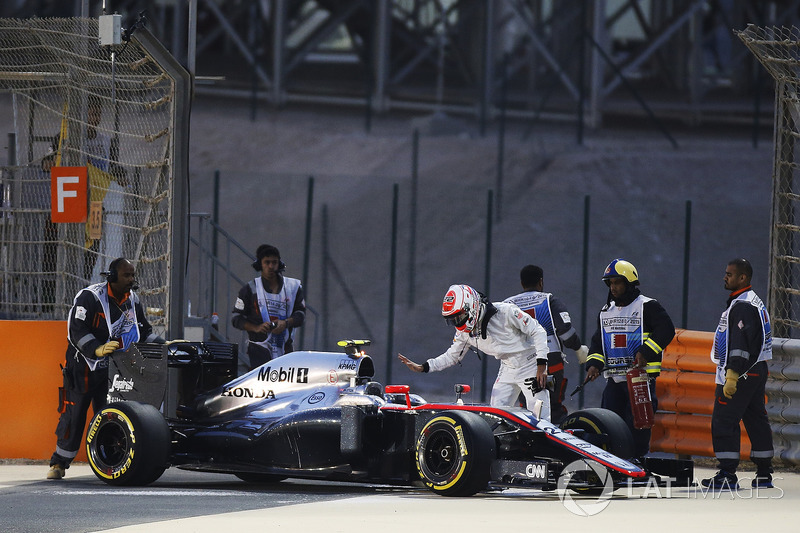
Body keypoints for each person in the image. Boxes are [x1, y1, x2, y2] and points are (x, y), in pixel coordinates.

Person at [47, 257, 165, 480]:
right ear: (112, 277)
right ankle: (58, 463)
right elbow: (76, 329)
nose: (131, 280)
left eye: (132, 275)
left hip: (114, 370)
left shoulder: (133, 300)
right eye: (126, 275)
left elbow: (144, 331)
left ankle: (110, 461)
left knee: (112, 416)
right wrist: (96, 349)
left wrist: (165, 345)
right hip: (83, 368)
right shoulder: (89, 297)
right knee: (74, 415)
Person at [398, 284, 552, 420]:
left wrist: (541, 365)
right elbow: (451, 356)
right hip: (507, 367)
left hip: (531, 364)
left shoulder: (506, 312)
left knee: (540, 419)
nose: (457, 323)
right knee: (496, 415)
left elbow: (538, 331)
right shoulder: (464, 333)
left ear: (472, 307)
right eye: (452, 319)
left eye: (459, 317)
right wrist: (424, 367)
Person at [584, 259, 675, 459]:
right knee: (608, 424)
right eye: (610, 283)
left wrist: (646, 351)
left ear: (630, 283)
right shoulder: (606, 311)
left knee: (638, 424)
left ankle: (637, 462)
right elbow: (598, 342)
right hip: (614, 380)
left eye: (618, 282)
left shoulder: (647, 306)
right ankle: (613, 462)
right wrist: (594, 364)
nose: (613, 287)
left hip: (640, 379)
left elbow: (666, 330)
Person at [702, 258, 774, 490]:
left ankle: (726, 474)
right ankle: (764, 474)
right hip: (756, 369)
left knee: (724, 419)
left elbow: (740, 344)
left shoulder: (742, 305)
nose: (725, 277)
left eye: (730, 274)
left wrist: (732, 375)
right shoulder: (753, 301)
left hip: (741, 373)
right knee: (756, 420)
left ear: (743, 278)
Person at [504, 264, 589, 423]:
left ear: (522, 283)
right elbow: (566, 333)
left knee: (527, 407)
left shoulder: (508, 304)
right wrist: (579, 349)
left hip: (519, 365)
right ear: (541, 282)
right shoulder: (550, 300)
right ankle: (557, 443)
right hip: (550, 363)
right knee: (552, 407)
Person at [232, 244, 306, 369]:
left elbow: (300, 315)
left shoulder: (293, 287)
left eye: (274, 262)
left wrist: (285, 323)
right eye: (267, 262)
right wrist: (256, 328)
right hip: (259, 349)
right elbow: (236, 318)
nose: (271, 267)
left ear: (279, 263)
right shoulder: (249, 289)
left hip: (285, 349)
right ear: (260, 264)